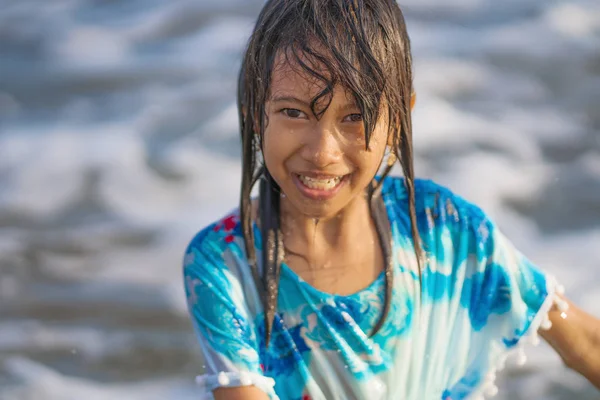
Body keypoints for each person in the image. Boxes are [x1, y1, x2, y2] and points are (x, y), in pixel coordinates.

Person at [182, 1, 600, 399]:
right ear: (257, 112)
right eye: (293, 112)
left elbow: (585, 344)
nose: (321, 152)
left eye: (355, 117)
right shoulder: (226, 263)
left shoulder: (445, 231)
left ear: (398, 119)